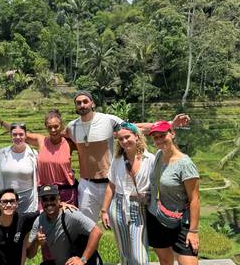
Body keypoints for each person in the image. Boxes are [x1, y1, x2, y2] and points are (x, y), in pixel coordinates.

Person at [66, 90, 189, 222]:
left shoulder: (107, 120)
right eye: (78, 103)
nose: (82, 105)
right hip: (86, 185)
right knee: (86, 226)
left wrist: (170, 124)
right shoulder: (72, 127)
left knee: (118, 222)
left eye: (85, 101)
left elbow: (134, 128)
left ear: (92, 103)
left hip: (110, 183)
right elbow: (58, 139)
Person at [146, 120, 200, 265]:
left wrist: (193, 231)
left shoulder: (184, 163)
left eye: (162, 135)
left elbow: (195, 199)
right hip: (157, 218)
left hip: (181, 224)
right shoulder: (159, 156)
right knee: (166, 261)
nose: (159, 140)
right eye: (155, 137)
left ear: (172, 134)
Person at [100, 122, 154, 265]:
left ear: (137, 136)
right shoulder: (118, 160)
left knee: (140, 256)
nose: (124, 141)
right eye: (120, 139)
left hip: (139, 209)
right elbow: (111, 187)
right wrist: (104, 210)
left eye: (127, 137)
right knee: (125, 253)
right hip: (118, 208)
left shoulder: (150, 159)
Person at [0, 109, 78, 205]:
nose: (53, 130)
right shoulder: (41, 141)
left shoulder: (69, 143)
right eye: (50, 127)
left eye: (56, 126)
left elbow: (88, 150)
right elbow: (19, 133)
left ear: (61, 126)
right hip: (45, 192)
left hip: (65, 192)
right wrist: (1, 122)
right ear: (46, 127)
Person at [0, 122, 38, 213]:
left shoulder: (33, 154)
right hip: (7, 201)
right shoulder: (2, 154)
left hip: (28, 201)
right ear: (10, 135)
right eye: (14, 134)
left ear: (26, 135)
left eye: (21, 134)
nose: (18, 137)